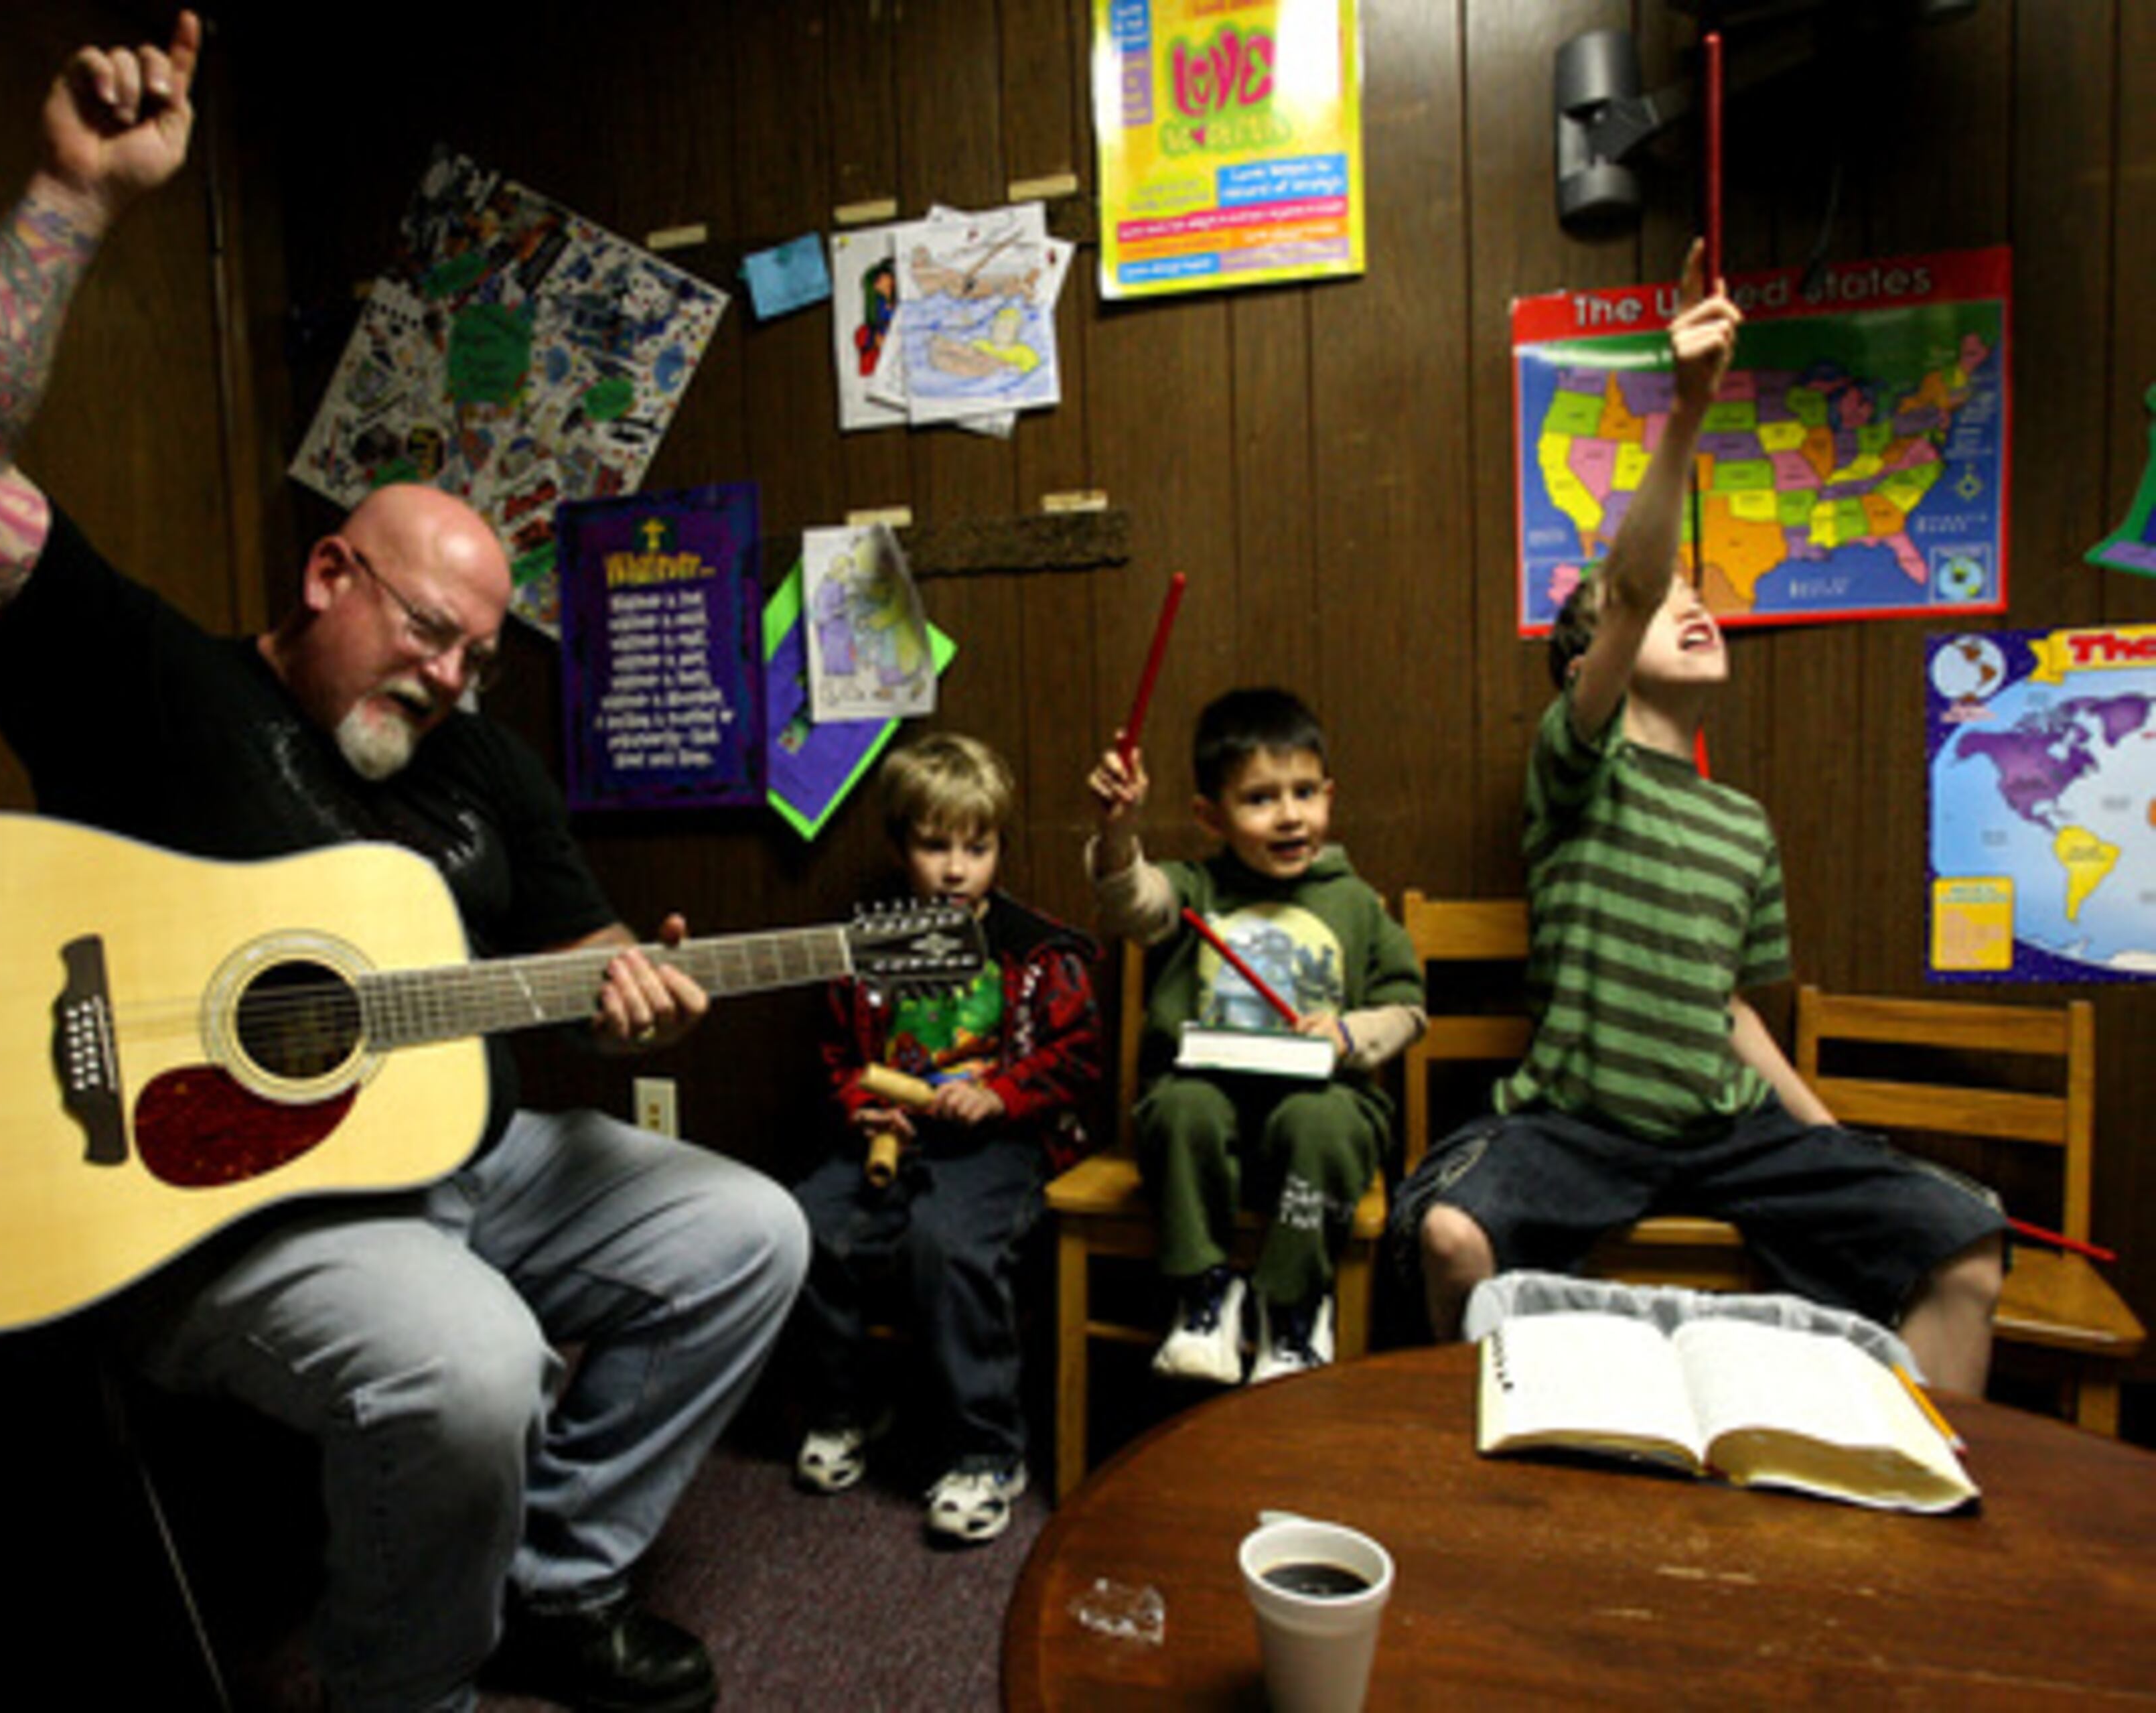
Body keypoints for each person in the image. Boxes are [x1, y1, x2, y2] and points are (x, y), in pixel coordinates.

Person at [0, 17, 804, 1712]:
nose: (448, 677)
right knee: (471, 1361)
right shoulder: (155, 685)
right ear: (326, 577)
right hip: (215, 1204)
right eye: (426, 633)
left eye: (477, 656)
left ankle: (553, 1584)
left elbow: (584, 951)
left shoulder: (485, 764)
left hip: (473, 1158)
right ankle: (405, 1691)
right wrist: (73, 195)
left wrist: (641, 1011)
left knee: (749, 1230)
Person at [1395, 243, 2005, 1395]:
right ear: (1598, 660)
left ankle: (1922, 1536)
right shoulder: (1574, 766)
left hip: (1728, 1134)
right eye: (1672, 600)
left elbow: (1728, 1007)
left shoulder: (1744, 824)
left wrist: (1826, 1135)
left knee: (1964, 1243)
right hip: (1575, 1126)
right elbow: (1627, 587)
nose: (1697, 607)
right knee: (1451, 1237)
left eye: (1700, 596)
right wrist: (1686, 407)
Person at [785, 734, 1099, 1546]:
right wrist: (862, 1103)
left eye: (977, 847)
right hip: (892, 1139)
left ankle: (987, 1450)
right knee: (806, 1224)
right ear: (900, 846)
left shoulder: (1038, 950)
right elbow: (836, 1057)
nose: (956, 869)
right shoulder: (866, 949)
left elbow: (1077, 1061)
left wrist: (1000, 1094)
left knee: (946, 1242)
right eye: (934, 846)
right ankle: (851, 1405)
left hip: (1000, 1145)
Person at [1086, 689, 1427, 1385]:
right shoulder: (1193, 889)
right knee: (1182, 1107)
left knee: (1326, 1122)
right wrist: (1122, 832)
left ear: (1329, 796)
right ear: (1210, 815)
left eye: (1304, 792)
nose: (1290, 814)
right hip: (1208, 1116)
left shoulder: (1356, 901)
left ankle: (1294, 1304)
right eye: (1261, 799)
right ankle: (1205, 1293)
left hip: (1319, 1113)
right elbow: (1131, 900)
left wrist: (1349, 1032)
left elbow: (1408, 1009)